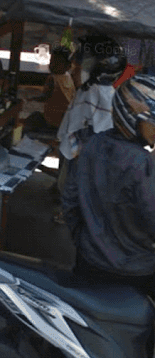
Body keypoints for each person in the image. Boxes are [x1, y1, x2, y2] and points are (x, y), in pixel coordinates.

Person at [62, 75, 155, 299]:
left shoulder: (92, 144)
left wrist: (85, 240)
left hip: (89, 261)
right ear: (131, 117)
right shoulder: (142, 163)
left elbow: (69, 200)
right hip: (135, 273)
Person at [54, 34, 126, 222]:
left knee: (74, 185)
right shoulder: (100, 90)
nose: (78, 66)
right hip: (90, 151)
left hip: (86, 151)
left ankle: (72, 215)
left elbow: (86, 125)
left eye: (84, 63)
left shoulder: (94, 93)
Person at [23, 44, 75, 134]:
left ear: (68, 66)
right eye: (51, 61)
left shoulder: (52, 79)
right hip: (66, 119)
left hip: (53, 121)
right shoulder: (68, 77)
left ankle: (27, 143)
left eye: (57, 63)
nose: (52, 65)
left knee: (32, 119)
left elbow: (45, 97)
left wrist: (30, 99)